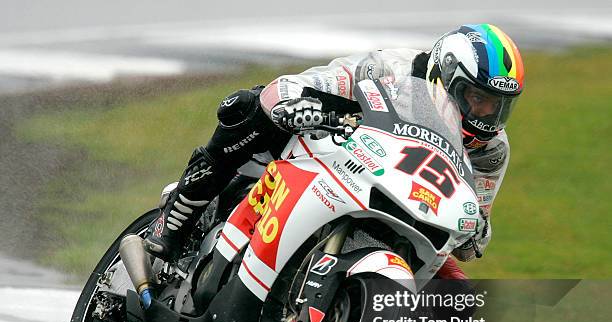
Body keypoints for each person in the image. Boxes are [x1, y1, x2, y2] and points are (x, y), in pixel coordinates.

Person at [143, 23, 524, 280]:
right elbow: (291, 87)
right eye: (476, 98)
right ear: (444, 76)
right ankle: (179, 217)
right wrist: (296, 105)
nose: (486, 115)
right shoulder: (390, 67)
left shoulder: (492, 150)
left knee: (455, 299)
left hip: (399, 200)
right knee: (248, 106)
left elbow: (476, 228)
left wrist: (475, 229)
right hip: (332, 149)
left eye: (498, 105)